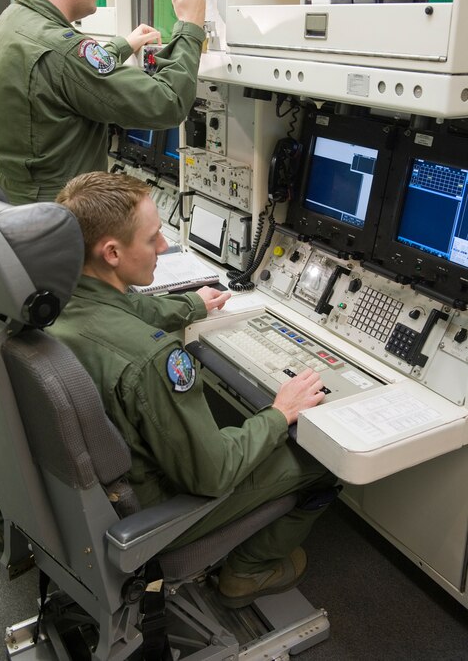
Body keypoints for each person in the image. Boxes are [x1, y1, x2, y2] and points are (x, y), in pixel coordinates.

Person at [48, 171, 337, 608]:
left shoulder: (54, 298)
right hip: (149, 512)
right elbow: (212, 473)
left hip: (78, 501)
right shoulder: (153, 360)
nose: (163, 247)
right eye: (153, 238)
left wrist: (193, 304)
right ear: (111, 252)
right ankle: (248, 572)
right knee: (321, 457)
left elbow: (128, 307)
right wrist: (280, 413)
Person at [0, 0, 206, 205]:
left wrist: (123, 45)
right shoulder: (62, 49)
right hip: (62, 226)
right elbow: (168, 102)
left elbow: (67, 75)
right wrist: (191, 25)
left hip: (16, 214)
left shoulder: (2, 28)